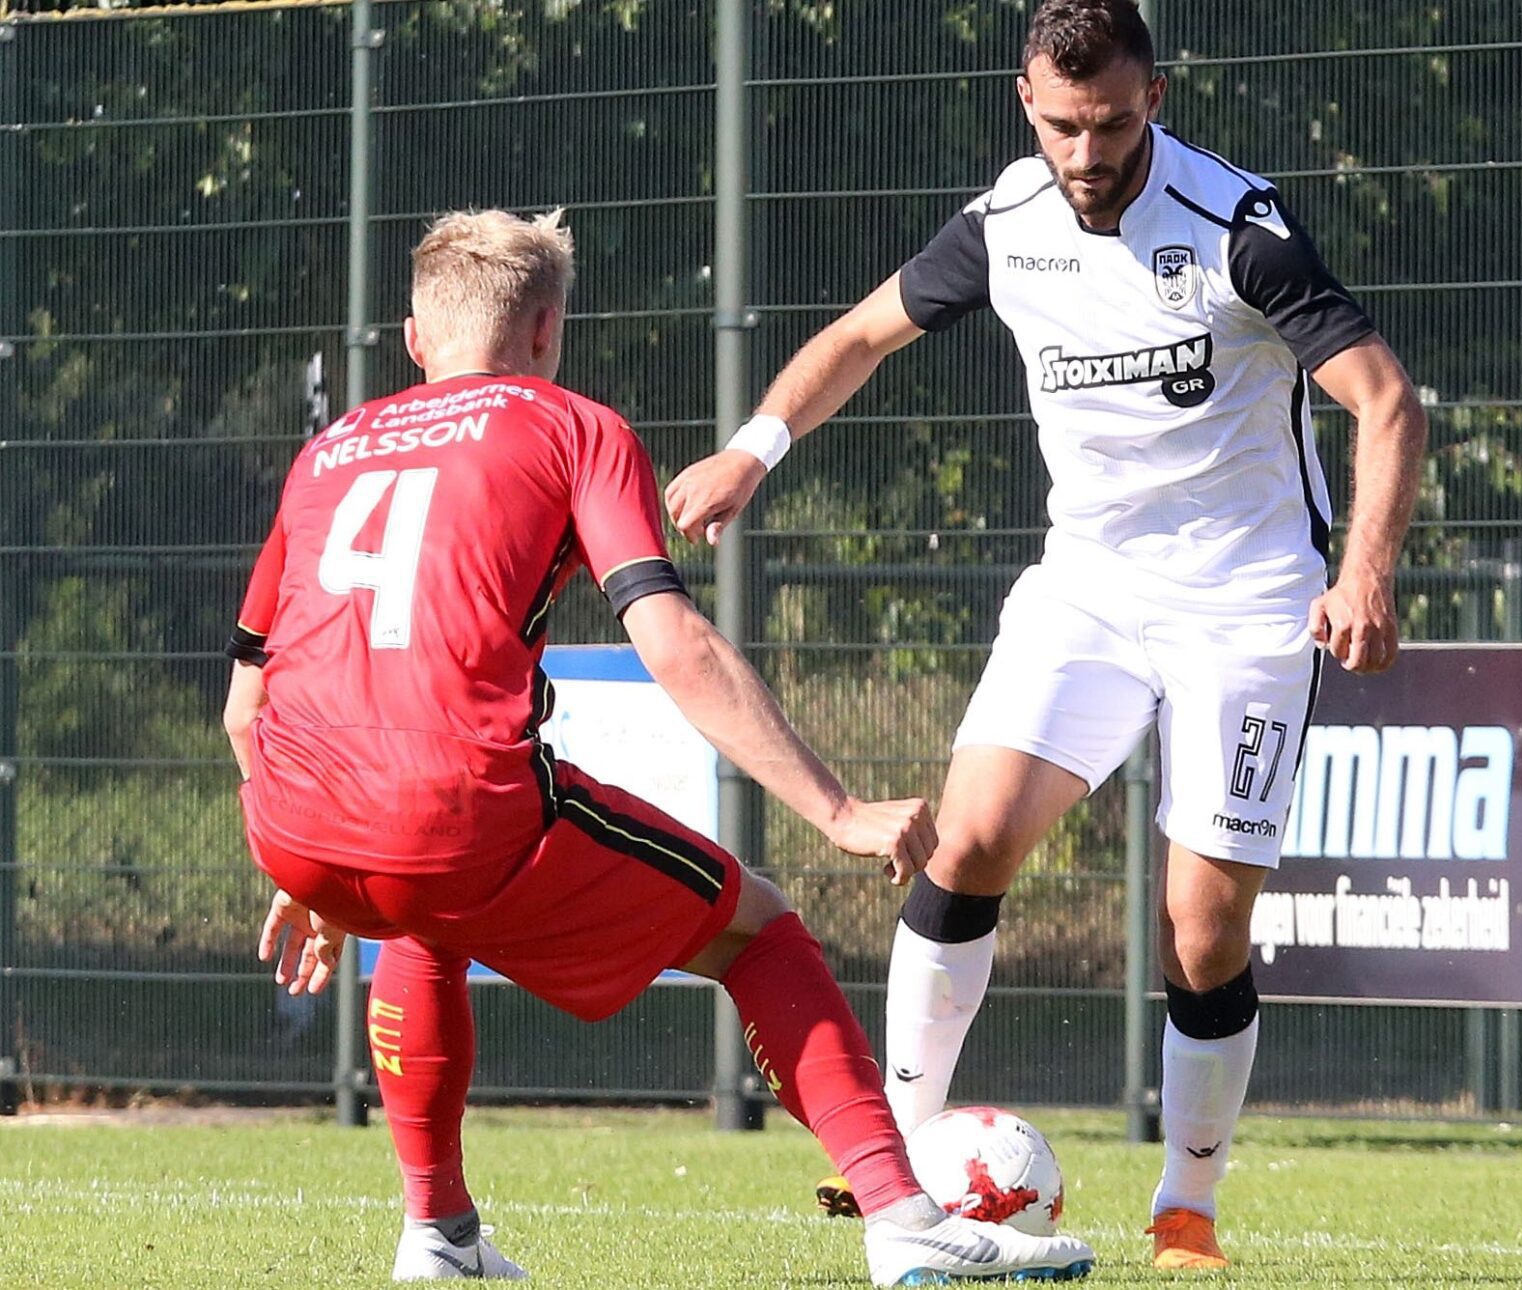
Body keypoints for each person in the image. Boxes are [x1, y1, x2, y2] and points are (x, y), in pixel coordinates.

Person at [664, 0, 1428, 1271]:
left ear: (1154, 100)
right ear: (1028, 104)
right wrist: (754, 450)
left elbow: (1387, 399)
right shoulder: (1005, 223)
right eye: (1065, 125)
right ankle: (894, 1161)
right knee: (966, 842)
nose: (1088, 151)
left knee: (1201, 928)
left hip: (1244, 603)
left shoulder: (1240, 232)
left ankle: (1186, 1207)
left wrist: (1365, 574)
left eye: (1113, 123)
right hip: (1088, 588)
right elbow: (859, 336)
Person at [224, 208, 1095, 1286]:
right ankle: (903, 1213)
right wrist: (837, 809)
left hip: (292, 818)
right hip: (449, 810)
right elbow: (673, 642)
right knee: (760, 932)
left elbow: (244, 705)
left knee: (425, 917)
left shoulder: (328, 452)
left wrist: (310, 852)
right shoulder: (571, 426)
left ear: (412, 338)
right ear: (547, 329)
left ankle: (438, 1235)